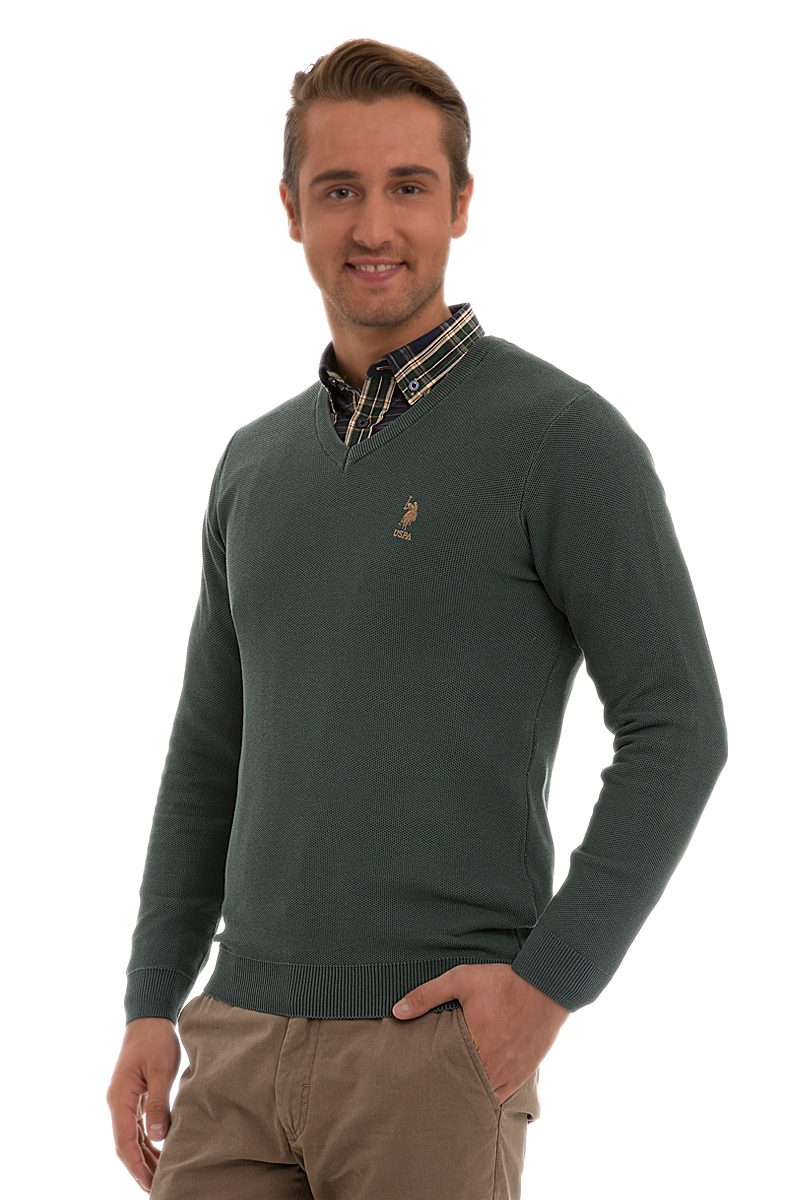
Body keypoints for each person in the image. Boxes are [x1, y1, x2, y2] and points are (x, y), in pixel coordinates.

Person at [107, 37, 727, 1200]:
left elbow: (677, 725)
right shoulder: (254, 464)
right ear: (290, 209)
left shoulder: (560, 441)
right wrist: (152, 999)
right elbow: (208, 752)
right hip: (233, 1045)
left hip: (428, 1051)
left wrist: (547, 987)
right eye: (339, 189)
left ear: (460, 205)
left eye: (408, 186)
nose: (374, 225)